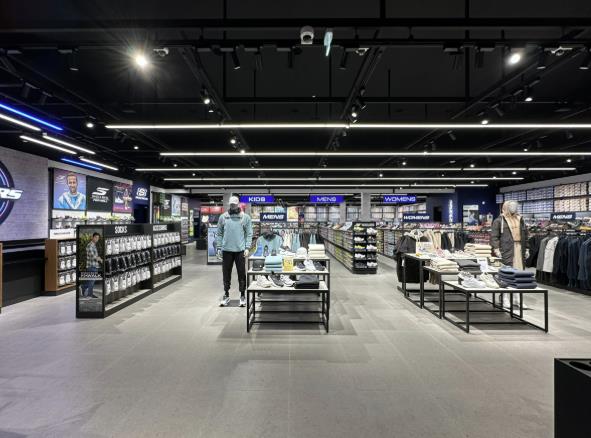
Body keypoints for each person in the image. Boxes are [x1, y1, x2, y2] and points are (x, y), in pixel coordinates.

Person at [216, 196, 253, 307]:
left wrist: (247, 247)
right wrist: (219, 247)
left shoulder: (245, 217)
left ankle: (242, 295)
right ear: (229, 204)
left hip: (240, 250)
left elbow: (249, 233)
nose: (232, 206)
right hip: (226, 250)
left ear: (238, 204)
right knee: (226, 273)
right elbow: (219, 233)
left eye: (234, 204)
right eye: (231, 204)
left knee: (241, 273)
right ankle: (226, 294)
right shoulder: (223, 217)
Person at [81, 232, 102, 298]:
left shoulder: (94, 245)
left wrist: (98, 258)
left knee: (90, 280)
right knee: (92, 280)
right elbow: (93, 256)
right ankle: (90, 294)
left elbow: (95, 255)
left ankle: (83, 287)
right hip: (91, 266)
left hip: (94, 265)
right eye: (96, 237)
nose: (97, 239)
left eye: (98, 238)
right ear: (92, 237)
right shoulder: (90, 245)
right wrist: (100, 259)